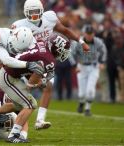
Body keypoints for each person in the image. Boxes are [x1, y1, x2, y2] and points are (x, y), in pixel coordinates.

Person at [11, 0, 89, 129]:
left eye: (37, 12)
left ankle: (40, 120)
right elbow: (12, 44)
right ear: (25, 12)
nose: (35, 15)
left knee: (48, 87)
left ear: (42, 10)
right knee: (20, 93)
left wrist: (81, 42)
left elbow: (64, 30)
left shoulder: (50, 18)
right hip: (26, 61)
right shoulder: (19, 25)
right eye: (32, 12)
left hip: (45, 59)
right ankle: (5, 115)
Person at [0, 33, 71, 143]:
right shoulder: (48, 59)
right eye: (63, 50)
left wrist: (38, 80)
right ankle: (14, 135)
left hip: (10, 74)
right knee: (30, 104)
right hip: (8, 76)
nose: (64, 53)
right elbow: (32, 82)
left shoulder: (41, 44)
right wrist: (40, 82)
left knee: (18, 106)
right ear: (57, 48)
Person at [71, 24, 107, 116]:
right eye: (88, 33)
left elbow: (103, 51)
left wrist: (102, 62)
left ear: (93, 34)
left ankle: (87, 108)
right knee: (82, 94)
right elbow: (70, 54)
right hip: (81, 67)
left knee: (90, 90)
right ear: (84, 34)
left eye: (91, 34)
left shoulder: (98, 41)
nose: (89, 35)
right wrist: (75, 66)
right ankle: (81, 102)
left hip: (93, 67)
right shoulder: (79, 42)